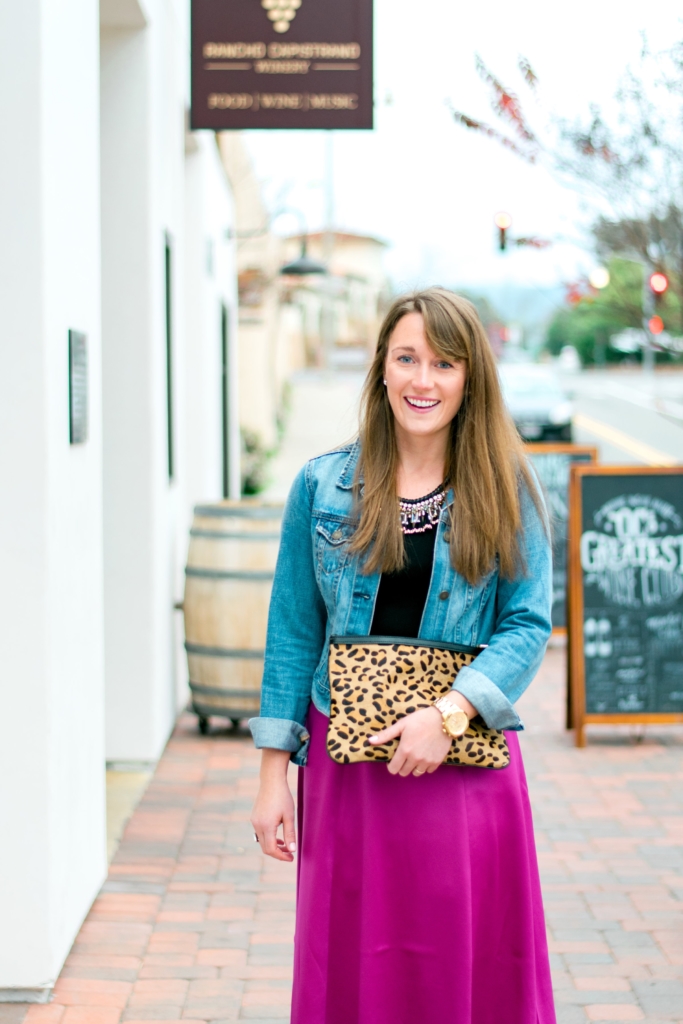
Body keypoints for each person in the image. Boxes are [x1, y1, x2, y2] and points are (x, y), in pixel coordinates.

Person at [249, 288, 556, 1024]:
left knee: (467, 960)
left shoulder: (506, 487)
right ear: (381, 370)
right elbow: (292, 633)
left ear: (469, 378)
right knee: (353, 961)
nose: (423, 380)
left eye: (443, 363)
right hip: (347, 769)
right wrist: (271, 779)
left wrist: (445, 716)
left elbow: (526, 625)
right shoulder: (321, 486)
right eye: (406, 359)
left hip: (462, 768)